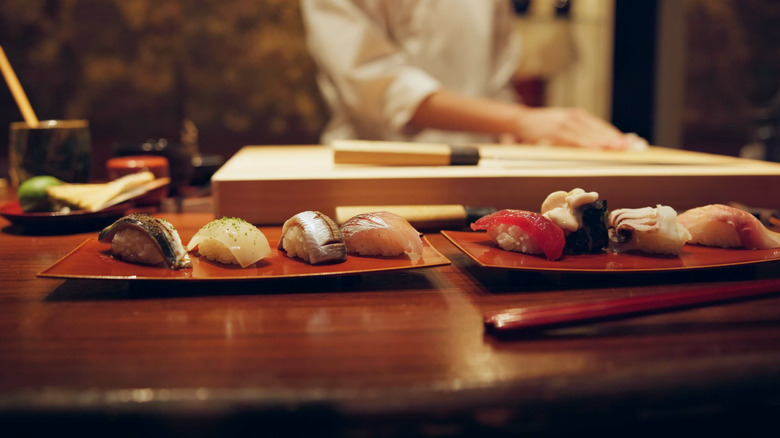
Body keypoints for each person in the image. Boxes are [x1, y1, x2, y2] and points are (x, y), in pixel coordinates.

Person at [300, 0, 643, 150]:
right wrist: (519, 120)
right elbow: (378, 87)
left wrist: (530, 135)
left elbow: (496, 82)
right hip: (374, 172)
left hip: (479, 173)